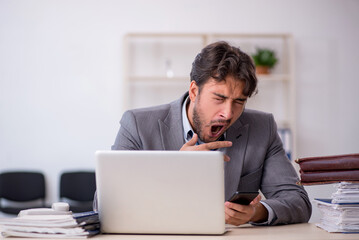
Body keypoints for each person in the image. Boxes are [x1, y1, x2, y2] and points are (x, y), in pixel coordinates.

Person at [111, 41, 312, 225]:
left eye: (239, 101)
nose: (228, 113)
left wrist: (256, 212)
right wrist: (171, 170)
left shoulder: (263, 128)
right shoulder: (137, 125)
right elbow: (106, 205)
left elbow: (298, 202)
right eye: (219, 98)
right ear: (194, 91)